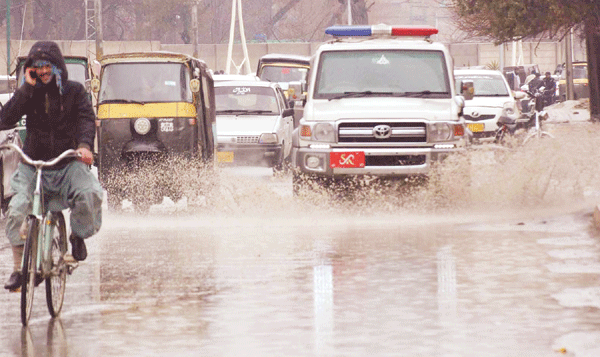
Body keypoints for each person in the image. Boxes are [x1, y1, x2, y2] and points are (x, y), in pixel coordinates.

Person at [1, 41, 103, 291]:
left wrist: (85, 146)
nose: (43, 72)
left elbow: (86, 120)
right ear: (30, 70)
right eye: (37, 68)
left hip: (67, 161)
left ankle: (77, 235)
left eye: (47, 66)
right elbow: (5, 119)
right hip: (33, 165)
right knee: (16, 210)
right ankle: (19, 269)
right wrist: (25, 88)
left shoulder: (75, 91)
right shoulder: (29, 92)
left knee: (89, 194)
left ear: (57, 66)